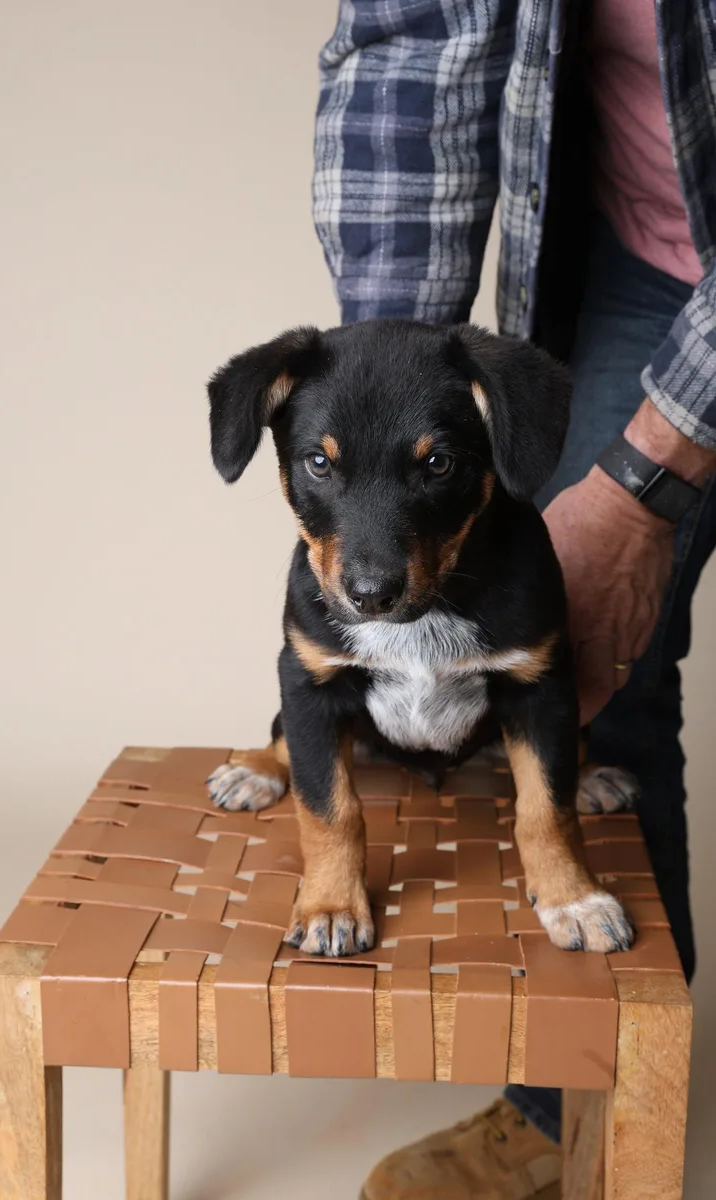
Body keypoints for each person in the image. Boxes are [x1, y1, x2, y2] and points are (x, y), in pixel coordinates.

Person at [313, 2, 716, 1196]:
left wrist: (648, 483)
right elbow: (409, 43)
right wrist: (384, 396)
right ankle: (575, 1118)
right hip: (649, 250)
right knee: (594, 659)